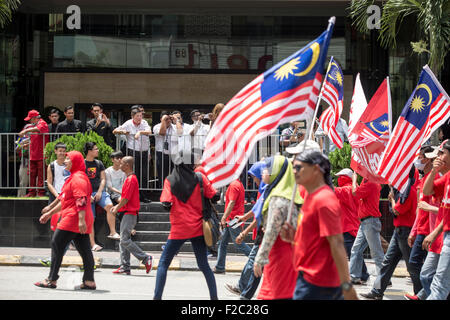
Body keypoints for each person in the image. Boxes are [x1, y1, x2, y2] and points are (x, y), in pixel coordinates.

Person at [280, 150, 358, 300]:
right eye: (293, 167)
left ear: (316, 169)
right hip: (309, 278)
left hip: (318, 284)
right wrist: (293, 238)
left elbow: (336, 243)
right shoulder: (311, 196)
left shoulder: (324, 200)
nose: (294, 171)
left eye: (298, 167)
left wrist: (347, 286)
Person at [154, 151, 218, 300]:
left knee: (163, 264)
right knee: (204, 266)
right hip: (198, 228)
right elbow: (214, 196)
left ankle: (157, 297)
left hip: (179, 228)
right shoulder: (200, 178)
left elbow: (165, 202)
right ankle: (214, 298)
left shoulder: (170, 180)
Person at [34, 151, 96, 290]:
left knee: (57, 244)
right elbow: (65, 201)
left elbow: (80, 199)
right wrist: (50, 213)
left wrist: (80, 220)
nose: (65, 160)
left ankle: (51, 279)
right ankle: (89, 281)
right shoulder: (76, 176)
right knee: (85, 250)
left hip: (74, 218)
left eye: (69, 158)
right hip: (79, 217)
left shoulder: (78, 178)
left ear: (76, 162)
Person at [360, 166, 419, 300]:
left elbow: (398, 210)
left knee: (412, 266)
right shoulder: (404, 189)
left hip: (405, 231)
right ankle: (377, 291)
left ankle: (420, 293)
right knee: (387, 262)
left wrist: (392, 198)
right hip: (399, 232)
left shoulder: (410, 190)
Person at [252, 155, 303, 300]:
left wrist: (259, 258)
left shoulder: (278, 199)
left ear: (276, 173)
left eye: (266, 170)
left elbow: (270, 232)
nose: (263, 173)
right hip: (288, 253)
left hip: (278, 255)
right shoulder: (289, 197)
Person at [404, 145, 439, 300]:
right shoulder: (425, 179)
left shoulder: (438, 179)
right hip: (426, 229)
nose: (420, 160)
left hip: (433, 230)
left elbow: (441, 208)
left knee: (423, 269)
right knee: (426, 270)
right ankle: (422, 294)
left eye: (423, 157)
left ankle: (423, 295)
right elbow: (420, 208)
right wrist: (414, 230)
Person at [110, 156, 153, 275]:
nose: (119, 164)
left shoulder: (130, 179)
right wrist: (117, 207)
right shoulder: (129, 178)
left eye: (122, 162)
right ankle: (125, 266)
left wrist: (116, 208)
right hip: (127, 212)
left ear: (127, 165)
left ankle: (145, 258)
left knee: (124, 240)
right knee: (123, 240)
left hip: (129, 213)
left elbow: (125, 199)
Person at [422, 139, 450, 300]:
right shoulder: (446, 178)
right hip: (444, 235)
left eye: (442, 153)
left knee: (439, 286)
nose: (438, 157)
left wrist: (433, 233)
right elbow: (428, 190)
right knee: (433, 282)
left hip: (445, 236)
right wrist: (434, 171)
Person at [334, 168, 370, 283]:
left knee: (353, 252)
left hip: (348, 226)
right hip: (349, 225)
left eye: (340, 177)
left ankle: (363, 274)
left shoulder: (348, 189)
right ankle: (362, 274)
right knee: (354, 252)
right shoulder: (353, 188)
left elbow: (334, 191)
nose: (338, 179)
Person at [348, 174, 385, 284]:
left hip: (370, 222)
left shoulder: (371, 183)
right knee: (356, 249)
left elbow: (355, 192)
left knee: (376, 252)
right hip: (366, 222)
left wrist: (354, 179)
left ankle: (384, 279)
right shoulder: (369, 181)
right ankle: (354, 276)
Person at [113, 107, 152, 202]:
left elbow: (149, 132)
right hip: (133, 151)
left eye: (141, 115)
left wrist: (139, 132)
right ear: (132, 116)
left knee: (144, 174)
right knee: (134, 173)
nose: (140, 117)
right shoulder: (128, 123)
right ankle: (133, 195)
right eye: (137, 116)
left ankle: (143, 196)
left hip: (144, 151)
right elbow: (115, 131)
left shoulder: (144, 123)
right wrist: (122, 131)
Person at [84, 142, 118, 250]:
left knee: (110, 206)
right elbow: (81, 180)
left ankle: (113, 232)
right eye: (95, 149)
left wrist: (99, 192)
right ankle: (92, 244)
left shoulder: (99, 163)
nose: (98, 150)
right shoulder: (82, 164)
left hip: (99, 191)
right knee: (91, 218)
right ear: (89, 151)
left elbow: (103, 179)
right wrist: (88, 195)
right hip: (86, 193)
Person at [213, 178, 251, 274]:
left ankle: (257, 260)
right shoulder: (238, 183)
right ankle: (220, 267)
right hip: (233, 219)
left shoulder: (234, 185)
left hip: (233, 219)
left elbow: (231, 202)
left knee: (238, 243)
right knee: (222, 243)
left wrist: (223, 217)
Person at [19, 109, 49, 197]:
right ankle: (31, 192)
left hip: (41, 155)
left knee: (41, 175)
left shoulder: (42, 123)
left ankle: (40, 193)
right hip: (33, 154)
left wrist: (25, 131)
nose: (29, 121)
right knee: (32, 174)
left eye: (30, 119)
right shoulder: (33, 125)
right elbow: (35, 138)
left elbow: (38, 129)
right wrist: (27, 144)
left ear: (35, 118)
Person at [152, 111, 172, 188]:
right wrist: (164, 120)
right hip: (161, 153)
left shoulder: (173, 126)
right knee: (162, 174)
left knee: (174, 175)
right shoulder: (156, 126)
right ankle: (163, 192)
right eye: (166, 119)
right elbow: (162, 132)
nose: (168, 120)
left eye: (169, 119)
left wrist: (176, 121)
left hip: (173, 153)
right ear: (161, 119)